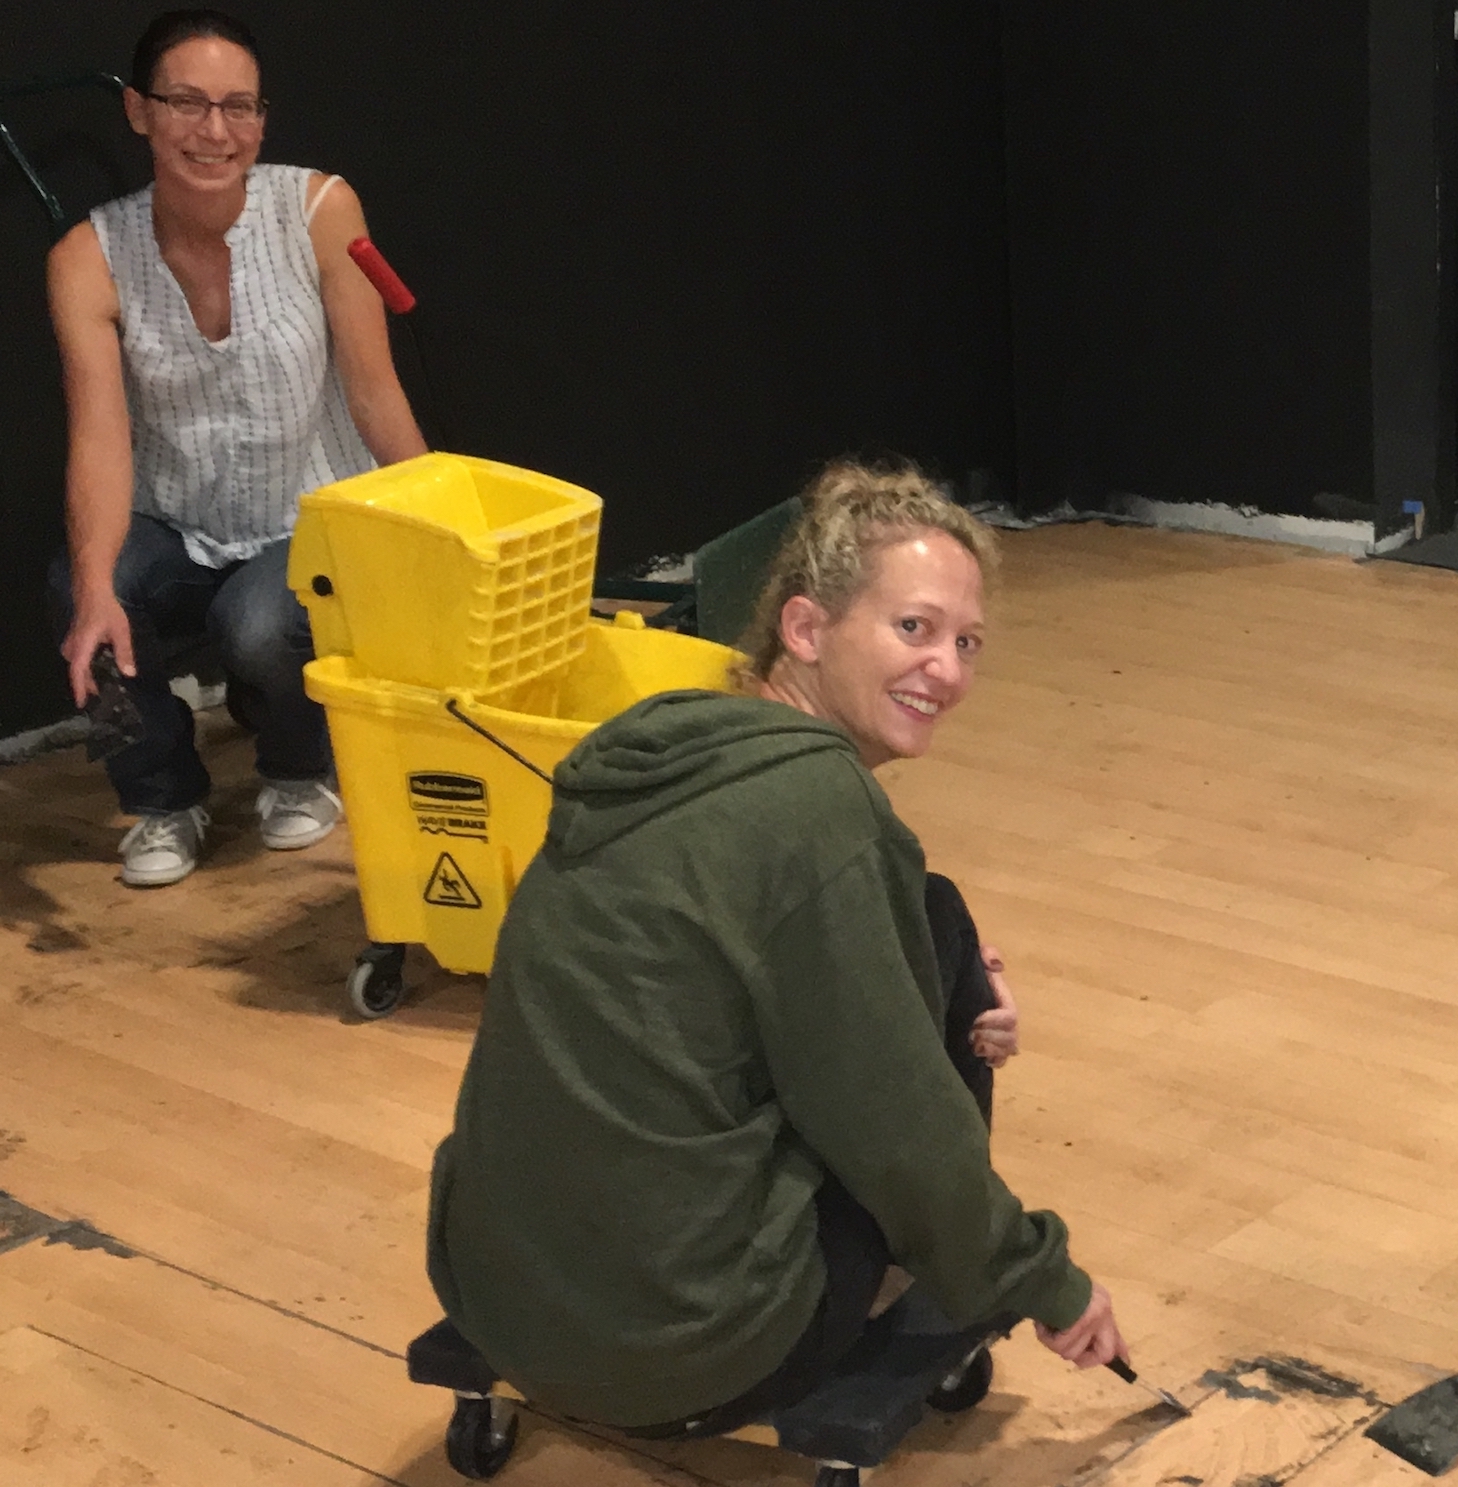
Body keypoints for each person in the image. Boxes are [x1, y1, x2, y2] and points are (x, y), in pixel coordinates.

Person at [426, 461, 1126, 1436]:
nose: (950, 670)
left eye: (967, 642)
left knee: (930, 918)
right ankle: (921, 1293)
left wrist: (929, 971)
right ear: (805, 628)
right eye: (913, 628)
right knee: (931, 943)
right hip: (679, 1346)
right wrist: (1047, 1280)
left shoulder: (664, 754)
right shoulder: (818, 815)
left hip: (496, 1288)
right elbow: (902, 1128)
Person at [46, 8, 427, 887]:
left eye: (239, 107)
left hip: (310, 516)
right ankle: (158, 799)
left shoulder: (319, 209)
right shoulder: (86, 257)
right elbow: (98, 437)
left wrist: (437, 525)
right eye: (187, 103)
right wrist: (98, 585)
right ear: (139, 112)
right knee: (83, 591)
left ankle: (301, 771)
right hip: (178, 519)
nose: (215, 132)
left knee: (256, 624)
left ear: (261, 117)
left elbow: (374, 391)